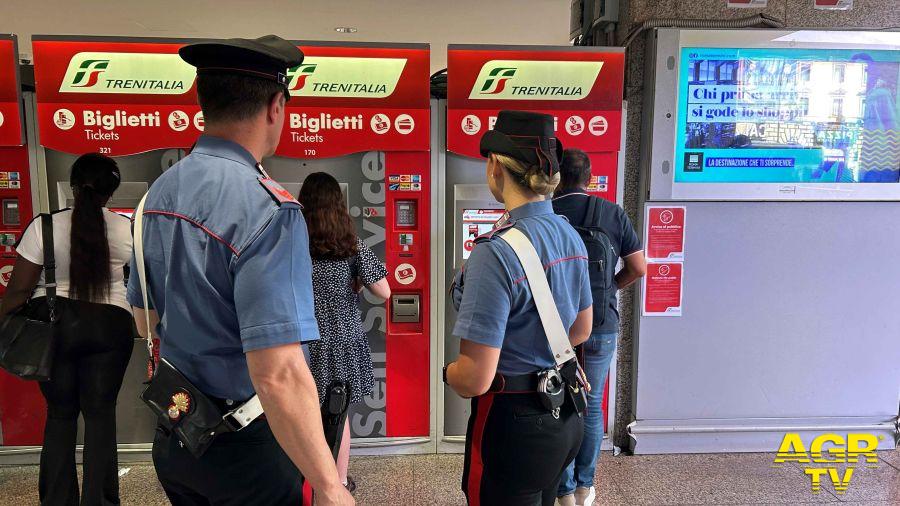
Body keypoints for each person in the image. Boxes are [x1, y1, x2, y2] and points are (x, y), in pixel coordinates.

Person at [126, 35, 352, 505]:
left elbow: (144, 320)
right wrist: (331, 486)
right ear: (276, 106)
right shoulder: (269, 210)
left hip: (178, 434)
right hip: (246, 446)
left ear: (200, 100)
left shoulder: (155, 198)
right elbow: (279, 373)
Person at [445, 111, 594, 505]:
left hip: (513, 424)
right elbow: (581, 331)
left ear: (494, 166)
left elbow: (476, 378)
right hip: (564, 418)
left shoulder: (495, 252)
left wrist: (448, 373)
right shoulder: (570, 235)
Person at [0, 153, 133, 505]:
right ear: (113, 190)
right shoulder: (126, 228)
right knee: (100, 415)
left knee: (60, 416)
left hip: (56, 326)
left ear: (73, 187)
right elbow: (143, 283)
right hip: (111, 326)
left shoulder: (44, 226)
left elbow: (19, 291)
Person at [552, 148, 647, 506]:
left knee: (557, 402)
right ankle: (584, 486)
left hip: (554, 326)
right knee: (590, 405)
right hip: (601, 324)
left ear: (557, 179)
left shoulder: (547, 214)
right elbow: (639, 267)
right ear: (590, 178)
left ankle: (562, 490)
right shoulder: (612, 213)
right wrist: (609, 288)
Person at [298, 172, 391, 492]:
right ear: (339, 204)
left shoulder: (294, 244)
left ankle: (309, 478)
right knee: (339, 412)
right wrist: (357, 282)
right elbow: (386, 292)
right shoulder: (352, 245)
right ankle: (337, 481)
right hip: (344, 340)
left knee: (303, 411)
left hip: (304, 342)